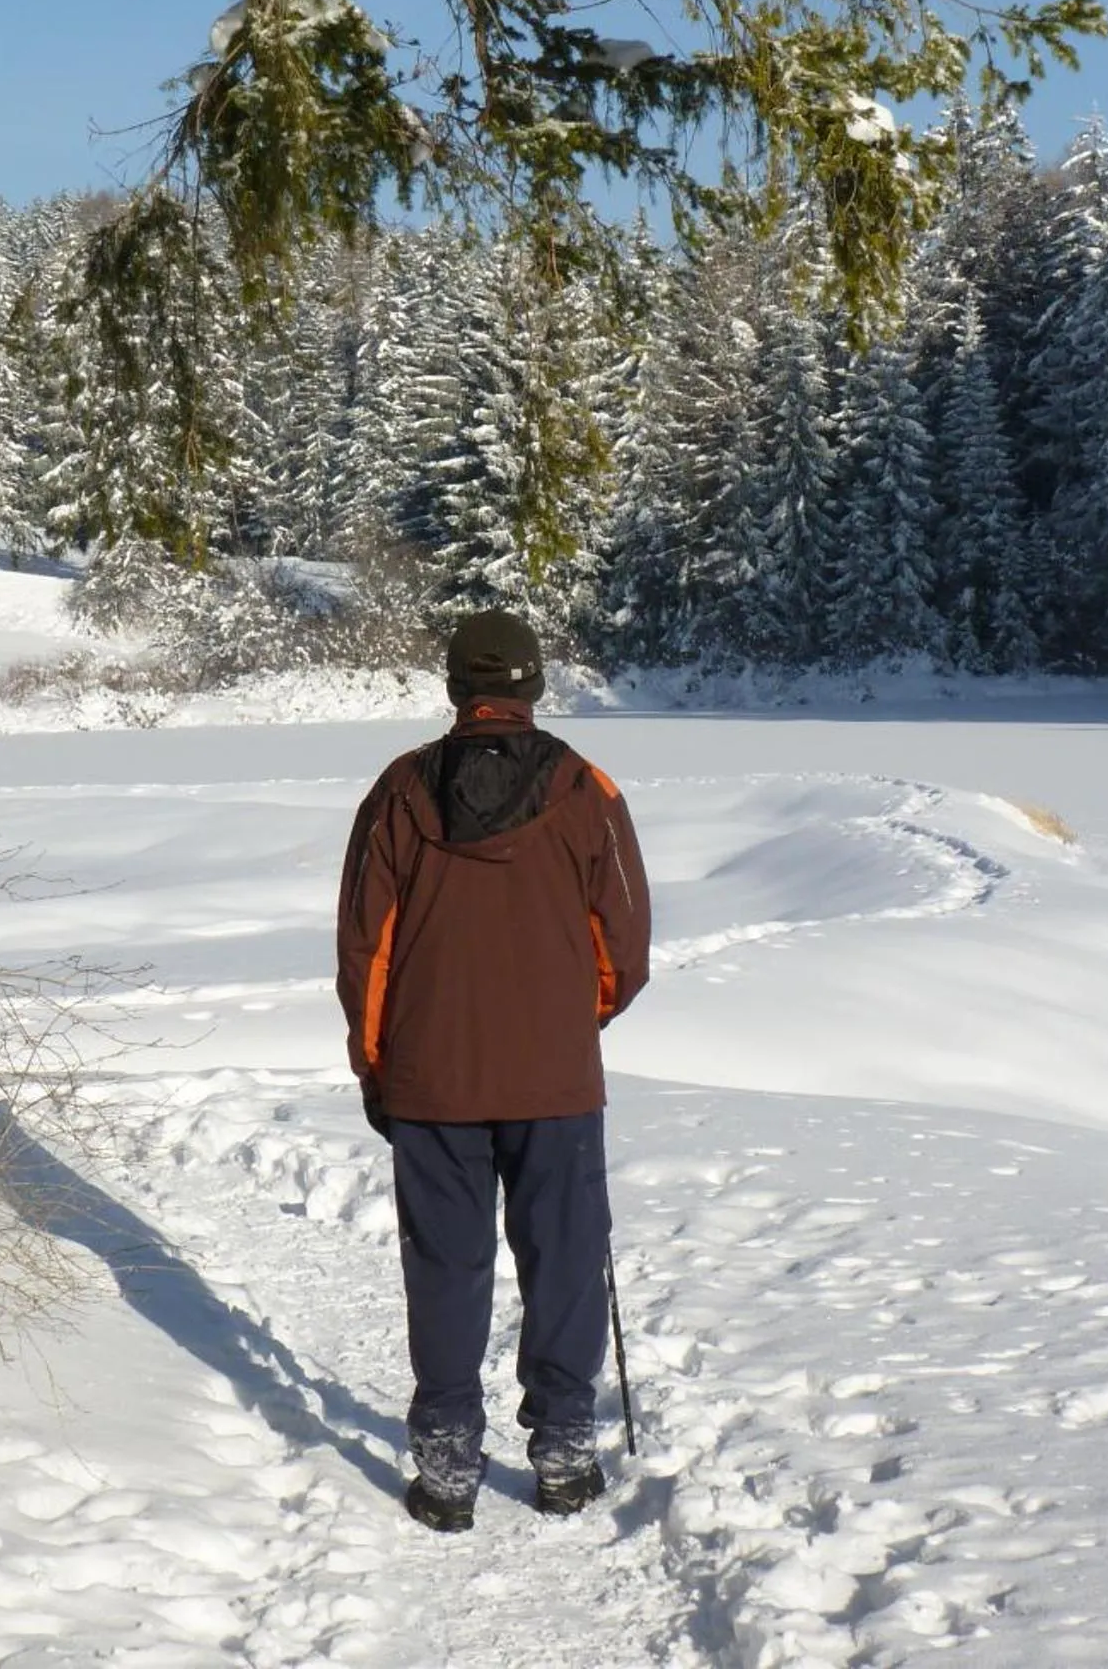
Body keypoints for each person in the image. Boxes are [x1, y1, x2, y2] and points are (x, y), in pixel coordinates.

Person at [335, 608, 653, 1532]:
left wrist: (377, 1065)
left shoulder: (400, 789)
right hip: (554, 1078)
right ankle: (561, 1449)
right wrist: (569, 1018)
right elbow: (623, 946)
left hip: (432, 1079)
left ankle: (446, 1464)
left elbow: (366, 947)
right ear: (532, 685)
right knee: (562, 1258)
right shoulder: (586, 789)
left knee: (446, 1265)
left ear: (454, 688)